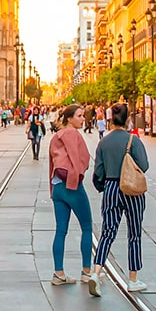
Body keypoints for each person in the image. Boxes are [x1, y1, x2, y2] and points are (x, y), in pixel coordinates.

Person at [91, 103, 149, 295]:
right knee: (134, 233)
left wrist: (104, 186)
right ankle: (132, 279)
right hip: (131, 189)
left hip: (111, 188)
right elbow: (144, 165)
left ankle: (96, 271)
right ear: (128, 119)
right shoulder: (133, 139)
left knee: (108, 232)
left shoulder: (103, 142)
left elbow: (98, 171)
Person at [47, 105, 93, 286]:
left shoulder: (55, 137)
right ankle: (86, 272)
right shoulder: (73, 134)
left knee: (60, 230)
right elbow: (77, 160)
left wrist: (52, 189)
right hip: (71, 187)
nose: (83, 119)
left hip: (57, 186)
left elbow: (52, 164)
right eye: (80, 116)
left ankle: (58, 273)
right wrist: (76, 178)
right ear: (69, 118)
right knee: (87, 227)